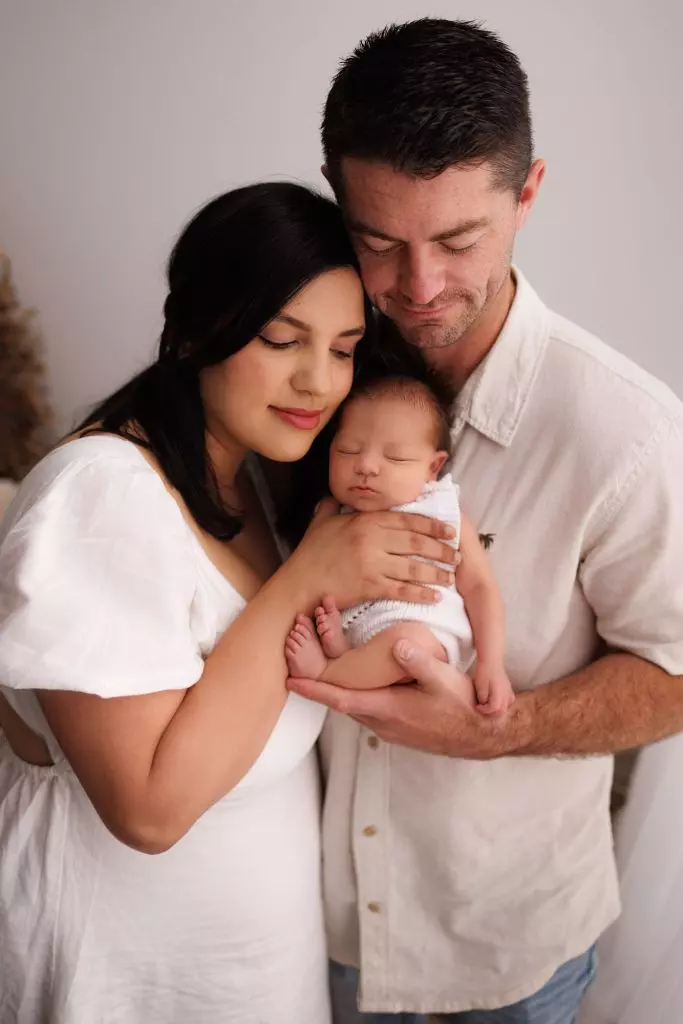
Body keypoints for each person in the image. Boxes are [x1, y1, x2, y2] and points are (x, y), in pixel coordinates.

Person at [284, 18, 683, 1023]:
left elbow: (675, 674)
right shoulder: (303, 380)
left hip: (510, 951)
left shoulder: (627, 432)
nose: (416, 290)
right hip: (313, 927)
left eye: (458, 241)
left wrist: (496, 731)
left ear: (527, 194)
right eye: (379, 241)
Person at [0, 182, 460, 1024]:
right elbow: (147, 808)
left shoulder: (254, 474)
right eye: (282, 338)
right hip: (120, 986)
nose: (318, 382)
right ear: (195, 329)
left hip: (250, 981)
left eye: (345, 347)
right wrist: (306, 578)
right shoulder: (101, 495)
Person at [285, 373, 513, 715]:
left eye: (395, 458)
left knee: (405, 644)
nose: (365, 466)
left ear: (432, 467)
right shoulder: (332, 512)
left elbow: (481, 587)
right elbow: (304, 571)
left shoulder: (444, 513)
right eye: (348, 450)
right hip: (358, 631)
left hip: (425, 635)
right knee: (322, 615)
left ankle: (327, 672)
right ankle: (342, 650)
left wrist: (491, 663)